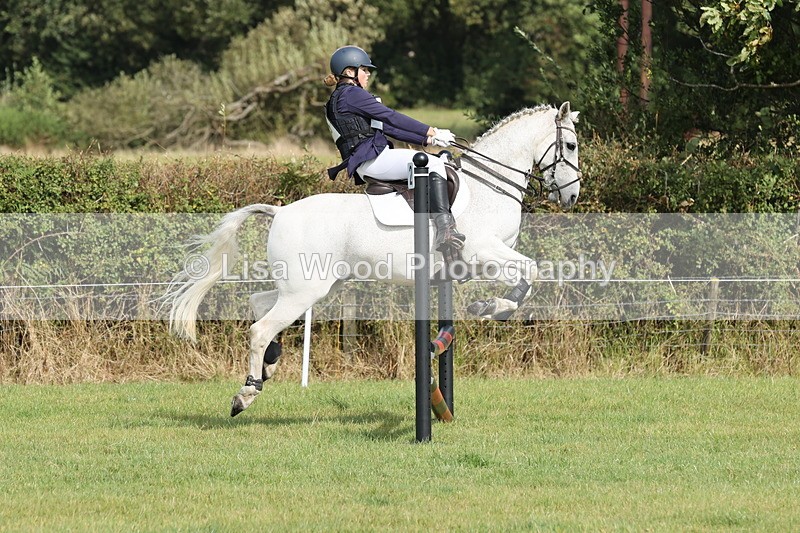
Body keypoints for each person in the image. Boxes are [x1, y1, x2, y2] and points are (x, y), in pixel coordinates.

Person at [323, 45, 465, 259]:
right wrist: (431, 130)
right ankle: (445, 230)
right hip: (374, 159)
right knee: (435, 164)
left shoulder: (338, 98)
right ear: (350, 72)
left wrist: (428, 139)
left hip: (366, 162)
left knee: (433, 159)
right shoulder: (353, 94)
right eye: (365, 70)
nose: (368, 74)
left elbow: (387, 128)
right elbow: (390, 116)